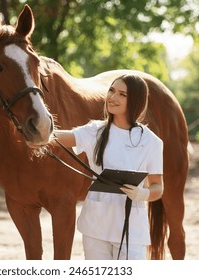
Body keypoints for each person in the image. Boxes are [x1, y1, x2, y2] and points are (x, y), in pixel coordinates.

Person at [53, 73, 164, 260]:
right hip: (96, 227)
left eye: (122, 94)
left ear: (135, 100)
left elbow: (158, 187)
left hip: (132, 230)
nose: (112, 97)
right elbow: (60, 137)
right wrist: (34, 132)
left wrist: (143, 194)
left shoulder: (151, 142)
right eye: (111, 91)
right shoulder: (94, 131)